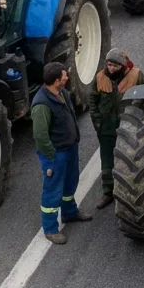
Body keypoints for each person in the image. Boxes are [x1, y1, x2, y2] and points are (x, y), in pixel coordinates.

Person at [30, 62, 91, 243]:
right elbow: (40, 135)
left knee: (70, 182)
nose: (67, 77)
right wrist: (52, 156)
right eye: (64, 75)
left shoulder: (62, 93)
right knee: (52, 190)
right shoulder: (41, 104)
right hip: (56, 154)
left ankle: (69, 212)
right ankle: (50, 228)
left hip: (69, 148)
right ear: (56, 80)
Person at [88, 49, 144, 210]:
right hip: (106, 127)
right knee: (107, 161)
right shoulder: (100, 77)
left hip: (129, 127)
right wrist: (97, 122)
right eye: (109, 64)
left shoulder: (137, 76)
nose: (111, 68)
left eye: (115, 65)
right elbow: (93, 100)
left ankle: (132, 190)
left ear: (123, 66)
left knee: (132, 159)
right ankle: (108, 192)